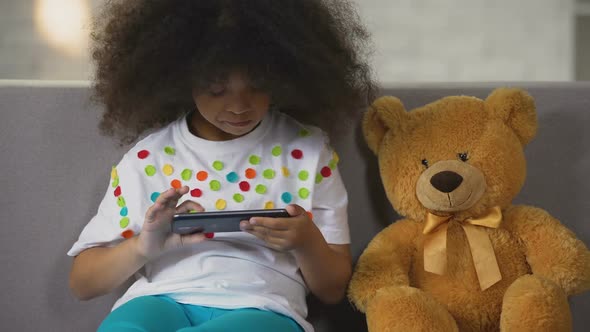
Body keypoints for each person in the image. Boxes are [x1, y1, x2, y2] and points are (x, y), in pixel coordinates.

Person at [68, 0, 376, 331]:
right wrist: (144, 246)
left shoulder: (309, 151)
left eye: (258, 85)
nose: (240, 106)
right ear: (181, 77)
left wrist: (306, 241)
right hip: (159, 300)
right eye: (217, 88)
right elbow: (83, 283)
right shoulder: (147, 159)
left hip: (263, 309)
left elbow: (332, 291)